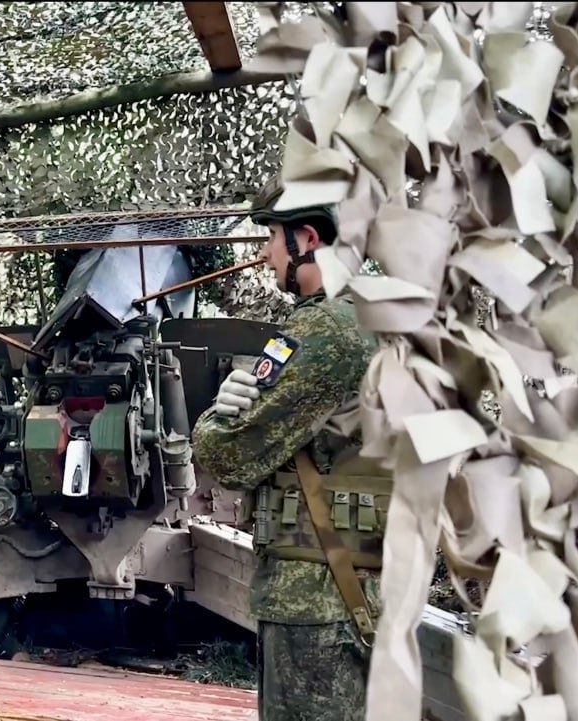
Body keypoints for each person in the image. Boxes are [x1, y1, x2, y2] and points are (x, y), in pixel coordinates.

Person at [192, 175, 386, 721]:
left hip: (317, 592)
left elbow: (230, 456)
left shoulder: (327, 330)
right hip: (359, 581)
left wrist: (212, 416)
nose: (264, 253)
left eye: (272, 237)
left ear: (308, 237)